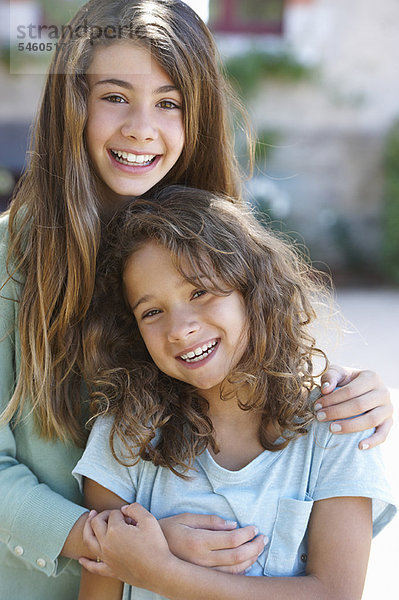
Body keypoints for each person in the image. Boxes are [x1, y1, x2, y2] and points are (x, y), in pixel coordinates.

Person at [0, 0, 393, 598]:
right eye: (113, 97)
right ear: (71, 107)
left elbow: (267, 372)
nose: (140, 127)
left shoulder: (211, 242)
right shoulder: (9, 259)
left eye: (169, 101)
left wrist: (354, 395)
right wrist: (126, 543)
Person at [73, 186, 396, 600]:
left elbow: (335, 593)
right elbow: (99, 590)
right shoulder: (126, 433)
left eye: (199, 292)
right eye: (151, 312)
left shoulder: (338, 424)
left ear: (251, 288)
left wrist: (162, 573)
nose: (180, 328)